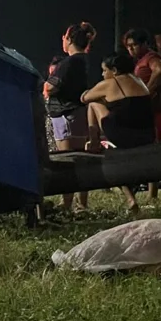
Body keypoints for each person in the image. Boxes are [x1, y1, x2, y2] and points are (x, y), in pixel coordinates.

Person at [81, 51, 156, 213]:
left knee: (93, 104)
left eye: (104, 70)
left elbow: (85, 98)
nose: (102, 74)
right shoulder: (139, 81)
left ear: (114, 71)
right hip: (147, 134)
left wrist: (100, 95)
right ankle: (143, 197)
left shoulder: (111, 82)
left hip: (123, 134)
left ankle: (94, 142)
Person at [45, 22, 96, 212]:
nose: (62, 41)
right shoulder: (83, 59)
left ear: (69, 40)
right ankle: (81, 203)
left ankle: (67, 204)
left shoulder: (70, 62)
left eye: (64, 38)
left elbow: (50, 87)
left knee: (67, 161)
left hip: (66, 114)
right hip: (77, 112)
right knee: (80, 159)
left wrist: (45, 88)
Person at [124, 27, 161, 200]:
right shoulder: (139, 61)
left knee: (151, 150)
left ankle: (152, 194)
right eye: (128, 46)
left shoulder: (151, 57)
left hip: (153, 110)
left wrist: (146, 92)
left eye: (134, 45)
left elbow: (160, 70)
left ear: (145, 44)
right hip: (144, 112)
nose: (131, 49)